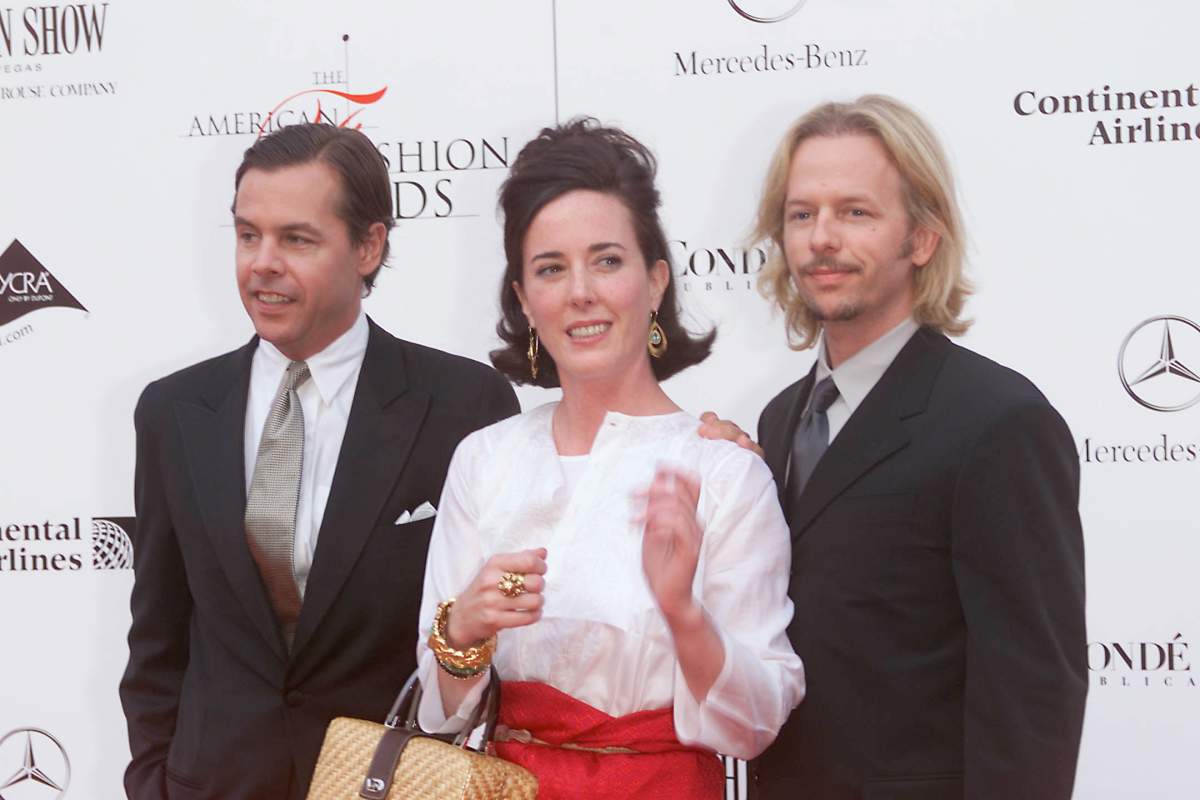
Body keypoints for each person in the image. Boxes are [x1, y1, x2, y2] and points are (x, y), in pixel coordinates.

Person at [701, 95, 1087, 799]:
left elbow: (1033, 698)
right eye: (801, 214)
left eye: (856, 212)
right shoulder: (780, 420)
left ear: (922, 238)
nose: (821, 238)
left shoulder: (1000, 422)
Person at [118, 123, 518, 800]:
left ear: (368, 246)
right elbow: (158, 638)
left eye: (296, 239)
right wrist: (154, 781)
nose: (262, 263)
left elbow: (494, 636)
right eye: (248, 235)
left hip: (391, 784)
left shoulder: (463, 404)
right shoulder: (174, 412)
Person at [414, 119, 805, 800]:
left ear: (655, 282)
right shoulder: (485, 460)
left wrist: (683, 612)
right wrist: (463, 630)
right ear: (523, 299)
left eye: (607, 260)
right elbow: (440, 712)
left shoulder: (722, 472)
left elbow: (757, 724)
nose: (580, 292)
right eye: (550, 268)